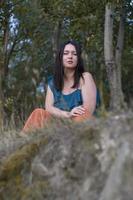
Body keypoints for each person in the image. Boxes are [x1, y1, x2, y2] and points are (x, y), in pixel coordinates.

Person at [22, 40, 97, 133]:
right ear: (60, 57)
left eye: (74, 54)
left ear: (78, 58)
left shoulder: (85, 77)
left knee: (82, 115)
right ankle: (21, 145)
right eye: (66, 53)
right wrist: (67, 114)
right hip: (60, 125)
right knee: (38, 113)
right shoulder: (53, 83)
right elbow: (49, 108)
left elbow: (88, 110)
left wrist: (73, 116)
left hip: (82, 123)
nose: (70, 56)